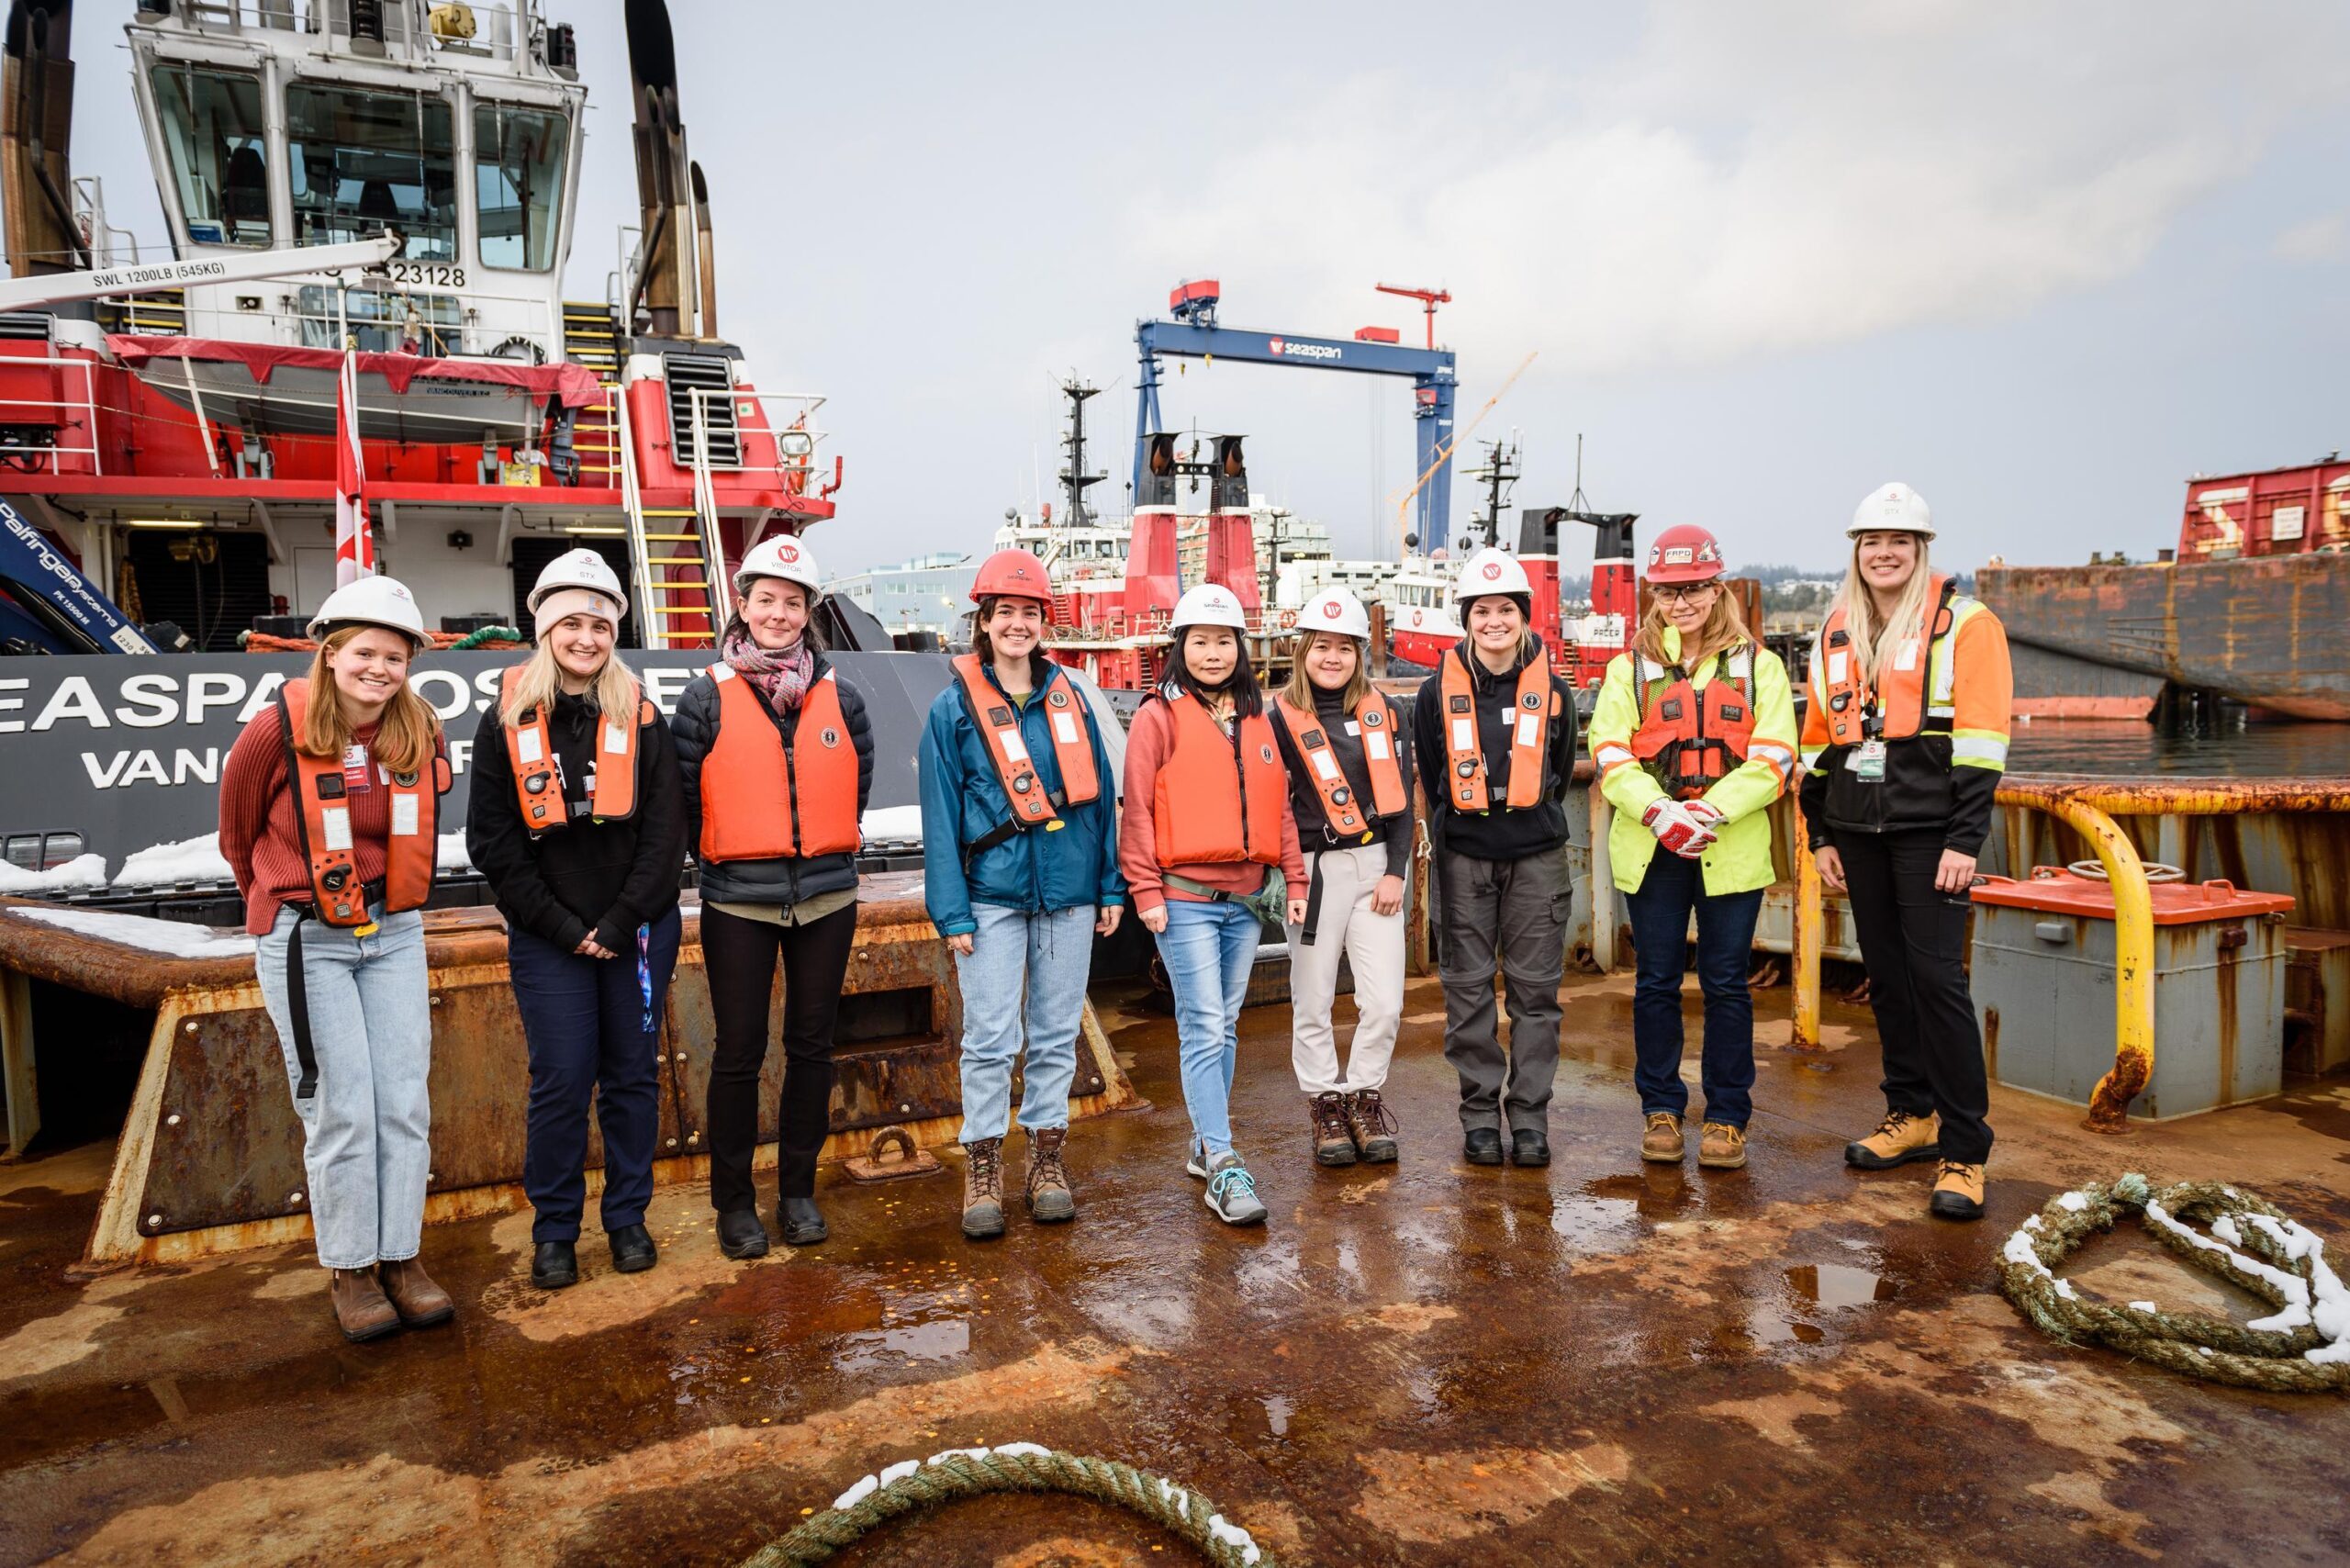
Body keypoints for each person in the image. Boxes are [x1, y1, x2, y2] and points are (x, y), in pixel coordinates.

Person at [219, 576, 453, 1343]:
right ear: (330, 653)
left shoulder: (420, 731)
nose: (379, 668)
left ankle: (402, 1257)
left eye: (394, 655)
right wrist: (277, 904)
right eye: (365, 652)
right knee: (340, 1106)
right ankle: (352, 1270)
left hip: (393, 931)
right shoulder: (272, 732)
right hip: (305, 936)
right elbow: (237, 829)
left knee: (402, 1102)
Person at [466, 550, 687, 1290]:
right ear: (545, 628)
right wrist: (564, 928)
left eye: (600, 623)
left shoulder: (644, 719)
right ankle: (555, 1229)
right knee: (561, 1081)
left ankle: (627, 1218)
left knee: (631, 1079)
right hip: (549, 937)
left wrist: (621, 922)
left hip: (639, 933)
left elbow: (666, 835)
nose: (587, 637)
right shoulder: (503, 721)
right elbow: (492, 843)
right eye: (571, 622)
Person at [1800, 482, 2012, 1221]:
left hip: (1931, 837)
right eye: (1871, 542)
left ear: (1921, 550)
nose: (1883, 554)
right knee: (1887, 977)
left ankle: (1964, 1149)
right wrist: (1821, 831)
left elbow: (1984, 742)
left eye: (1898, 543)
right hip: (1857, 833)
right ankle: (1911, 1114)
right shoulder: (1837, 628)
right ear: (1856, 552)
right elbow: (1819, 747)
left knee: (1936, 982)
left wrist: (1964, 839)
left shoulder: (1968, 625)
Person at [671, 532, 874, 1257]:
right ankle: (735, 1203)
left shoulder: (839, 697)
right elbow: (687, 798)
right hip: (738, 904)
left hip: (825, 900)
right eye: (767, 601)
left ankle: (797, 1192)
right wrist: (730, 859)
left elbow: (857, 780)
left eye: (793, 603)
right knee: (738, 1051)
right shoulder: (705, 698)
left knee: (812, 1049)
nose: (779, 615)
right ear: (744, 606)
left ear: (808, 611)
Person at [918, 548, 1125, 1240]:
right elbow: (940, 814)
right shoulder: (952, 710)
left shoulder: (1072, 698)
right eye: (1004, 612)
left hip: (1069, 894)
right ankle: (983, 1168)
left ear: (1044, 622)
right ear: (983, 620)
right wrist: (951, 912)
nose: (1016, 624)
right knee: (989, 1038)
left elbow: (1099, 803)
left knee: (1056, 1033)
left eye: (1028, 613)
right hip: (992, 897)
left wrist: (1110, 888)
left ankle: (1046, 1162)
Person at [1587, 526, 1799, 1172]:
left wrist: (1710, 809)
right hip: (1652, 850)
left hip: (1728, 848)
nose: (1682, 602)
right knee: (1655, 981)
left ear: (1717, 587)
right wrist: (1658, 809)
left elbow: (1773, 756)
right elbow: (1609, 749)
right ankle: (1661, 1109)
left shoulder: (1759, 667)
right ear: (1654, 593)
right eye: (1670, 591)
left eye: (1694, 588)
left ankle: (1728, 1117)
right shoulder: (1629, 669)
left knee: (1727, 984)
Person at [1118, 582, 1307, 1226]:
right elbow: (1136, 809)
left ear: (1240, 649)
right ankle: (1224, 1163)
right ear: (1180, 647)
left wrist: (1295, 882)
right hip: (1184, 899)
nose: (1212, 653)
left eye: (1223, 642)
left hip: (1247, 900)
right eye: (1199, 642)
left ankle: (1204, 1143)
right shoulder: (1156, 717)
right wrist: (1145, 891)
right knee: (1202, 1024)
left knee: (1223, 1024)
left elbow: (1278, 806)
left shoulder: (1257, 717)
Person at [1413, 547, 1580, 1170]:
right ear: (1466, 618)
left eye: (1505, 609)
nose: (1493, 622)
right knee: (1468, 993)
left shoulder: (1555, 692)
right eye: (1481, 611)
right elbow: (1433, 773)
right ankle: (1480, 1117)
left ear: (1524, 615)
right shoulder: (1434, 694)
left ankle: (1531, 1120)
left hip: (1536, 857)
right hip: (1464, 861)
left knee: (1537, 994)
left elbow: (1559, 771)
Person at [1270, 588, 1414, 1168]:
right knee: (1313, 997)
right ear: (1304, 650)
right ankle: (1325, 1105)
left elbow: (1402, 802)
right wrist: (1290, 879)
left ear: (1360, 653)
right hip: (1312, 872)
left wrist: (1397, 873)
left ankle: (1363, 1096)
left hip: (1376, 868)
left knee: (1383, 1003)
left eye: (1344, 648)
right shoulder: (1276, 720)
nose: (1332, 658)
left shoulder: (1384, 713)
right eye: (1321, 647)